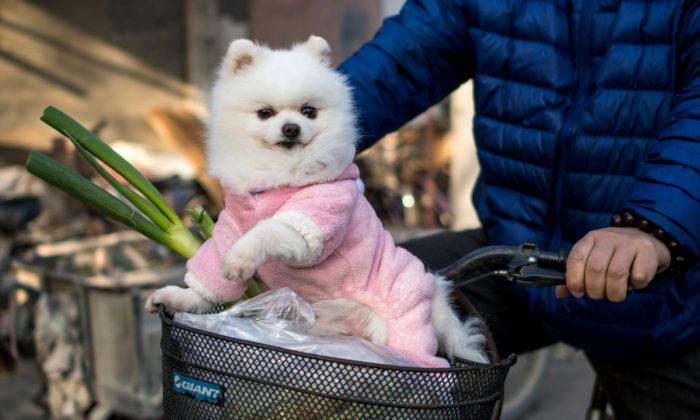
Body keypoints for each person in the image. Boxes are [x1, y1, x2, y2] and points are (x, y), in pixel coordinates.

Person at [338, 1, 700, 419]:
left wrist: (652, 226)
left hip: (661, 292)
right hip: (516, 258)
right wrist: (285, 147)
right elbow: (399, 64)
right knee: (359, 301)